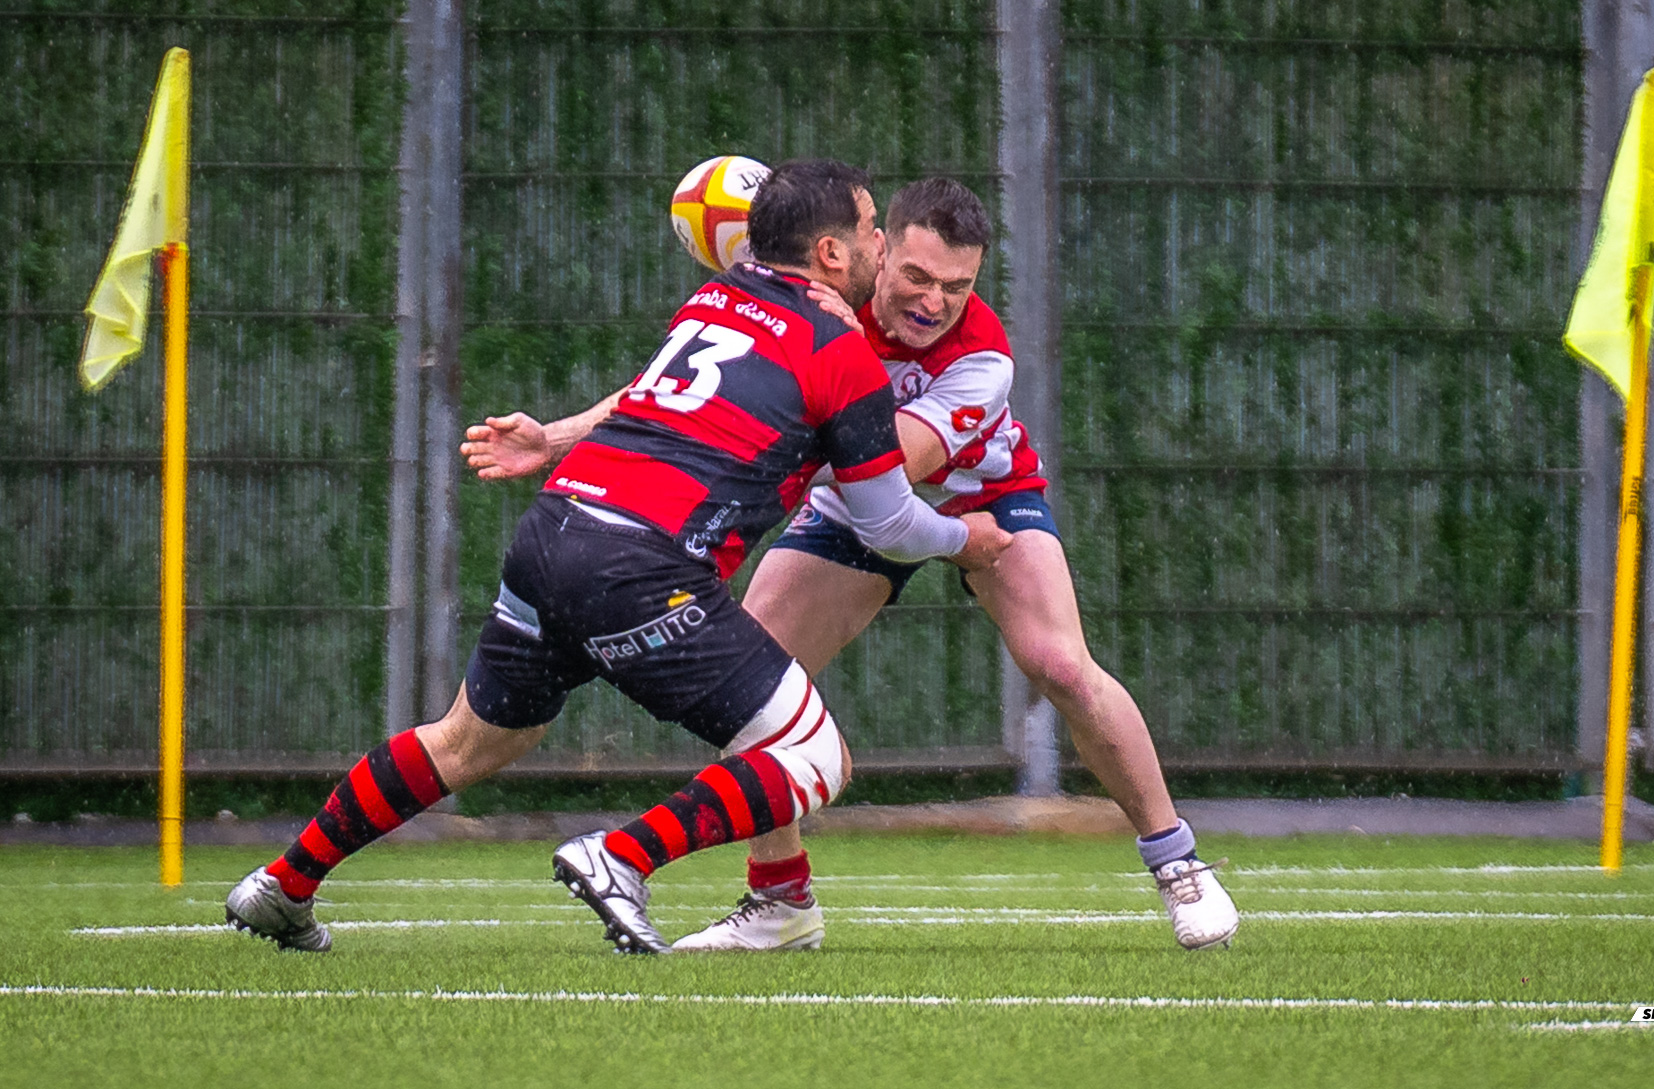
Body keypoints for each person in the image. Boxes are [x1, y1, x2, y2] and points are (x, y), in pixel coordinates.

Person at [223, 159, 1012, 954]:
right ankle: (622, 857)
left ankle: (283, 885)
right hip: (643, 566)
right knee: (815, 757)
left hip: (553, 531)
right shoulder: (839, 353)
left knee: (470, 739)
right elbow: (885, 525)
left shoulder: (714, 298)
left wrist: (553, 436)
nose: (880, 239)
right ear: (834, 255)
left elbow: (656, 401)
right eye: (872, 227)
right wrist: (963, 537)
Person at [466, 178, 1238, 953]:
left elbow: (890, 464)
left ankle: (1179, 864)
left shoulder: (982, 360)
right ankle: (780, 902)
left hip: (979, 499)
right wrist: (559, 436)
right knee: (755, 673)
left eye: (958, 287)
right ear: (879, 250)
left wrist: (811, 344)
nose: (935, 302)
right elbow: (685, 391)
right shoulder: (826, 303)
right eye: (918, 277)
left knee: (1060, 666)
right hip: (857, 507)